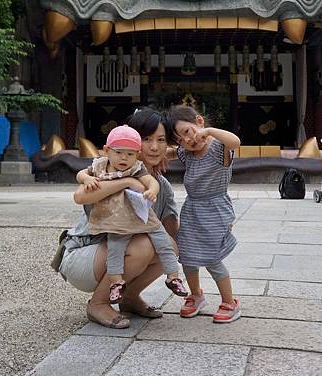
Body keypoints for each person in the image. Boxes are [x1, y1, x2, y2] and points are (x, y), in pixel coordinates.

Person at [56, 107, 179, 329]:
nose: (154, 146)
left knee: (169, 246)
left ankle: (129, 297)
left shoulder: (161, 186)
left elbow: (171, 232)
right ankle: (98, 303)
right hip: (84, 255)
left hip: (115, 257)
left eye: (161, 140)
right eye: (146, 138)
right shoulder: (107, 172)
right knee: (142, 246)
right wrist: (127, 183)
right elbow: (80, 196)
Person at [76, 124, 187, 303]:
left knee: (166, 244)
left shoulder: (136, 167)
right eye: (119, 152)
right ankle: (111, 289)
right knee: (116, 251)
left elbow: (151, 182)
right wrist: (89, 179)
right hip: (113, 225)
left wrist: (152, 190)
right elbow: (80, 186)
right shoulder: (100, 167)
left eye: (129, 154)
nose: (124, 158)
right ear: (106, 151)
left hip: (145, 221)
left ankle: (173, 277)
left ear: (136, 154)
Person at [164, 104, 242, 324]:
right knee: (187, 257)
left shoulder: (218, 148)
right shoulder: (186, 153)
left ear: (199, 121)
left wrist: (209, 131)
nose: (187, 141)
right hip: (192, 210)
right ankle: (196, 294)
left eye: (188, 132)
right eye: (180, 139)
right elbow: (169, 152)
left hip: (216, 210)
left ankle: (230, 302)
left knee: (212, 259)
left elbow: (235, 142)